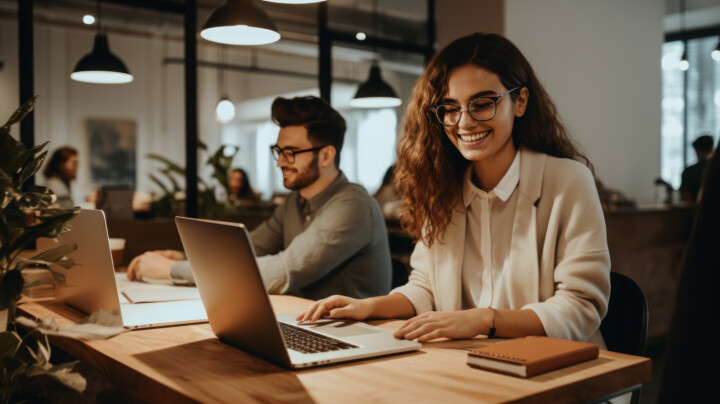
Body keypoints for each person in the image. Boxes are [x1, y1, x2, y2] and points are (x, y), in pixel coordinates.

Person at [299, 33, 611, 346]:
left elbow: (581, 307)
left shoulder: (568, 181)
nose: (464, 123)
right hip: (470, 364)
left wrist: (482, 319)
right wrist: (368, 307)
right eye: (450, 108)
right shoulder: (442, 187)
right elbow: (426, 287)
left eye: (482, 103)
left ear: (521, 102)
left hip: (561, 370)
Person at [128, 96, 392, 300]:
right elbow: (246, 250)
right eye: (279, 151)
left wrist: (171, 271)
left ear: (325, 155)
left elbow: (282, 272)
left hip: (352, 340)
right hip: (304, 325)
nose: (280, 163)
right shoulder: (294, 203)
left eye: (291, 152)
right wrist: (183, 258)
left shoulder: (352, 205)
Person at [680, 134, 714, 203]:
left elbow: (686, 198)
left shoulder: (689, 171)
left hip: (696, 212)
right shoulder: (715, 168)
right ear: (712, 149)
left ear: (697, 151)